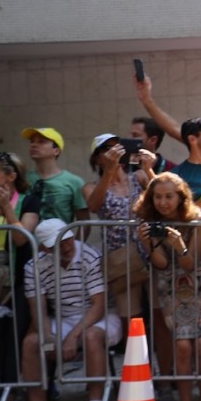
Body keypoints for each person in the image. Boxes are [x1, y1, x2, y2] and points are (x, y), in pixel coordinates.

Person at [14, 219, 122, 401]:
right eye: (57, 244)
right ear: (44, 247)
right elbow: (38, 310)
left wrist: (72, 337)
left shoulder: (90, 256)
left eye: (67, 240)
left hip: (99, 315)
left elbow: (99, 305)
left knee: (92, 336)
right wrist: (49, 338)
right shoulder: (34, 266)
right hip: (63, 317)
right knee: (31, 342)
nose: (65, 247)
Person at [135, 173, 201, 401]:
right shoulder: (150, 222)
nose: (163, 202)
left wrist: (178, 244)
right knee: (183, 346)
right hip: (172, 285)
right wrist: (148, 244)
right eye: (158, 197)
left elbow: (190, 263)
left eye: (169, 196)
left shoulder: (197, 219)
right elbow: (161, 265)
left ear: (181, 197)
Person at [0, 151, 40, 401]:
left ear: (11, 176)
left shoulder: (28, 202)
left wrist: (7, 209)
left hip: (19, 284)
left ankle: (12, 399)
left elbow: (23, 240)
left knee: (14, 342)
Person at [82, 134, 152, 335]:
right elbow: (94, 205)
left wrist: (148, 167)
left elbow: (161, 193)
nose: (114, 152)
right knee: (131, 317)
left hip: (150, 251)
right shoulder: (91, 187)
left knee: (159, 311)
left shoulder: (138, 177)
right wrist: (109, 171)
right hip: (120, 257)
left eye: (117, 147)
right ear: (97, 158)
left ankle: (163, 363)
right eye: (107, 149)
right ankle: (135, 362)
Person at [21, 127, 88, 226]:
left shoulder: (74, 181)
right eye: (32, 141)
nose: (33, 145)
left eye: (41, 141)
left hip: (59, 240)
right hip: (27, 239)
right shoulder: (22, 179)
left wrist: (74, 241)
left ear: (56, 151)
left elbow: (84, 222)